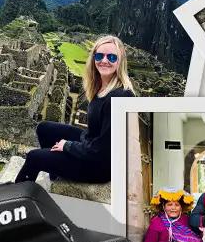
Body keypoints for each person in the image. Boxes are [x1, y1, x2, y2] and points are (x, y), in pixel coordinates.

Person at [17, 35, 135, 185]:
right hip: (91, 142)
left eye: (111, 57)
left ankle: (17, 196)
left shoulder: (120, 97)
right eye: (99, 56)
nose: (104, 61)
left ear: (120, 61)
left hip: (98, 166)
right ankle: (57, 173)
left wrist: (68, 146)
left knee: (34, 157)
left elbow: (102, 151)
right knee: (44, 128)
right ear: (93, 58)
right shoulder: (101, 86)